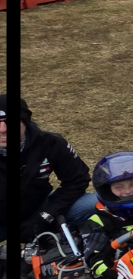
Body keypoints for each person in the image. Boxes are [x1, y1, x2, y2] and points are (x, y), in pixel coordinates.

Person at [0, 95, 95, 245]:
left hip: (39, 208)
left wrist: (47, 215)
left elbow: (77, 180)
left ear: (24, 121)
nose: (3, 129)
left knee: (94, 203)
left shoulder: (50, 142)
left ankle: (71, 240)